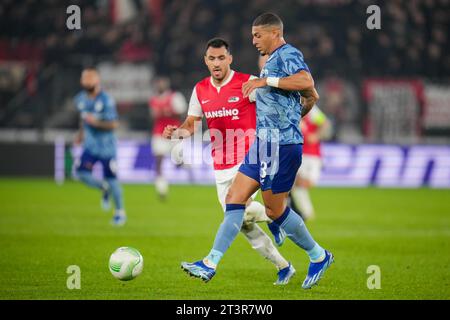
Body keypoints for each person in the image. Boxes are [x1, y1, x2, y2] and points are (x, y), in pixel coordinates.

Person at [181, 13, 333, 289]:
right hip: (263, 143)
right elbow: (312, 98)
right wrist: (294, 115)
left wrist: (269, 86)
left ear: (274, 33)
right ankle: (210, 263)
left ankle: (318, 255)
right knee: (234, 199)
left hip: (281, 146)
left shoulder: (287, 54)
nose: (253, 41)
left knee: (276, 212)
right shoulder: (270, 62)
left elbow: (307, 83)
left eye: (257, 35)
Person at [163, 38, 295, 285]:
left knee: (235, 213)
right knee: (242, 223)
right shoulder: (200, 89)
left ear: (229, 59)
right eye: (211, 58)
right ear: (205, 61)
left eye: (221, 58)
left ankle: (210, 262)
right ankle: (283, 256)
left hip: (249, 158)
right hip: (220, 164)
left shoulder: (247, 83)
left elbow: (274, 106)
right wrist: (178, 132)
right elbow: (192, 122)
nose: (216, 63)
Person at [74, 67, 126, 226]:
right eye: (84, 78)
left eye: (90, 78)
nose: (87, 81)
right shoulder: (79, 99)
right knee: (82, 173)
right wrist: (81, 134)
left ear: (97, 80)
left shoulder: (106, 100)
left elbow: (114, 123)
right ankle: (102, 187)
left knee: (112, 179)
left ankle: (119, 213)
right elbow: (83, 119)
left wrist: (95, 122)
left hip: (107, 148)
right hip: (90, 146)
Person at [290, 105, 331, 221]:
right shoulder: (290, 108)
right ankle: (306, 213)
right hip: (300, 153)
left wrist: (316, 136)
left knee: (308, 183)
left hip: (313, 155)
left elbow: (325, 123)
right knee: (296, 184)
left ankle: (303, 212)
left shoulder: (311, 109)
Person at [148, 76, 187, 199]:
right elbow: (152, 116)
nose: (160, 85)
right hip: (159, 134)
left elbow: (182, 112)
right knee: (158, 161)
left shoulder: (175, 97)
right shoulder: (153, 99)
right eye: (158, 83)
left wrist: (169, 112)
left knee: (178, 161)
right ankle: (162, 189)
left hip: (174, 134)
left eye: (162, 83)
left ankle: (186, 171)